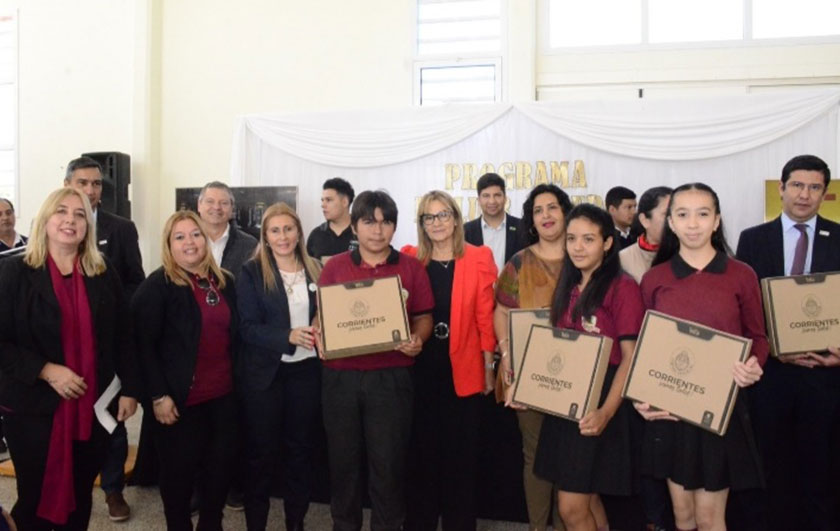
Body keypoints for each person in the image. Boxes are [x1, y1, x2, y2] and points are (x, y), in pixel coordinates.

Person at [0, 187, 139, 530]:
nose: (70, 220)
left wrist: (130, 389)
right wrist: (46, 370)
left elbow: (124, 334)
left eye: (80, 214)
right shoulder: (14, 273)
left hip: (93, 408)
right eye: (61, 211)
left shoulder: (102, 270)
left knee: (81, 493)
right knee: (34, 496)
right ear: (45, 220)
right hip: (33, 408)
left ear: (88, 227)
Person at [638, 183, 766, 531]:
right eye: (682, 214)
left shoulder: (741, 274)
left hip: (719, 411)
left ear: (717, 221)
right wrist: (641, 396)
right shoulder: (654, 278)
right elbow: (646, 348)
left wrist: (754, 365)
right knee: (683, 518)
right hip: (670, 410)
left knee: (710, 519)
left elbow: (757, 337)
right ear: (672, 224)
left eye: (702, 214)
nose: (692, 224)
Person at [317, 190, 434, 531]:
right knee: (343, 465)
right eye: (369, 221)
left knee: (389, 466)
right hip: (341, 379)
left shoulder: (411, 268)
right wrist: (321, 335)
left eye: (386, 222)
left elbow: (424, 316)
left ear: (395, 228)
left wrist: (418, 338)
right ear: (354, 227)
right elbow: (321, 318)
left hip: (391, 377)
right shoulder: (335, 267)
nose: (378, 230)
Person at [735, 154, 840, 531]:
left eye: (814, 188)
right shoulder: (752, 240)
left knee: (821, 474)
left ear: (824, 194)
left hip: (824, 377)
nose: (804, 195)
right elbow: (744, 310)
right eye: (797, 185)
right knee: (771, 471)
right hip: (771, 377)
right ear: (781, 189)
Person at [531, 203, 644, 531]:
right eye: (572, 239)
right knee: (588, 499)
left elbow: (631, 355)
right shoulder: (568, 285)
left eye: (588, 239)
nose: (577, 247)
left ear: (607, 243)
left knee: (570, 508)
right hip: (567, 399)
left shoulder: (623, 287)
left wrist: (606, 412)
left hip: (601, 400)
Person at [132, 210, 239, 531]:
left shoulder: (224, 281)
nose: (189, 242)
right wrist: (158, 395)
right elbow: (143, 347)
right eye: (179, 237)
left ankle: (211, 524)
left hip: (223, 398)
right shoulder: (157, 287)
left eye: (195, 234)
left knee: (219, 473)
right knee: (178, 479)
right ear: (169, 245)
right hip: (178, 403)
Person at [400, 190, 497, 531]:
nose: (437, 223)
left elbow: (487, 319)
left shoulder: (480, 256)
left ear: (456, 218)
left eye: (443, 215)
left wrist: (489, 369)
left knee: (461, 461)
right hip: (420, 367)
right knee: (422, 456)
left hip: (465, 369)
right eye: (429, 217)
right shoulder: (409, 258)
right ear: (421, 224)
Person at [64, 155, 145, 521]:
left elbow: (135, 282)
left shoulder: (122, 228)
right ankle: (65, 488)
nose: (91, 190)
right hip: (63, 349)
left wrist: (110, 314)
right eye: (83, 183)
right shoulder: (50, 224)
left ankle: (113, 490)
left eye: (96, 184)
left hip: (107, 348)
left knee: (110, 421)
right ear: (68, 185)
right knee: (64, 423)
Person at [237, 203, 322, 531]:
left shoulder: (316, 268)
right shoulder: (252, 271)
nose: (283, 236)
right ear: (266, 236)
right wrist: (287, 335)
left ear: (299, 231)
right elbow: (246, 327)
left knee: (300, 454)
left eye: (288, 229)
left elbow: (327, 312)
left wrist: (322, 322)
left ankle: (295, 524)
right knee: (261, 455)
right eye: (275, 230)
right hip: (266, 376)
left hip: (306, 373)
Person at [494, 184, 572, 531]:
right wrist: (507, 353)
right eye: (538, 210)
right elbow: (501, 312)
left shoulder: (584, 258)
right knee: (535, 456)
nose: (546, 216)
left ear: (566, 212)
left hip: (579, 375)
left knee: (572, 458)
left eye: (552, 207)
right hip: (527, 371)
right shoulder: (518, 263)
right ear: (531, 220)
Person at [618, 186, 674, 531]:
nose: (675, 222)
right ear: (644, 219)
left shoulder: (691, 256)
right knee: (646, 451)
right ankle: (654, 519)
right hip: (637, 366)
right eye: (668, 214)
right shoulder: (623, 260)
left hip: (681, 367)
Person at [464, 172, 524, 274]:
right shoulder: (465, 232)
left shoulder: (522, 228)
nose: (492, 201)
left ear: (505, 198)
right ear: (478, 200)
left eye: (497, 195)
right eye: (486, 196)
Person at [197, 181, 258, 278]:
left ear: (232, 209)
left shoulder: (250, 245)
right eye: (210, 201)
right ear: (199, 206)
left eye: (224, 203)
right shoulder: (187, 243)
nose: (217, 207)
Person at [619, 187, 672, 283]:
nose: (673, 220)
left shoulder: (688, 255)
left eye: (680, 214)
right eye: (666, 214)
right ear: (645, 220)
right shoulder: (623, 260)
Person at [306, 177, 357, 262]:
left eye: (328, 200)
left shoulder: (362, 233)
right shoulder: (316, 235)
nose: (323, 205)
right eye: (322, 200)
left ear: (345, 202)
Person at [605, 186, 637, 250]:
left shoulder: (639, 234)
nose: (634, 212)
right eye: (629, 207)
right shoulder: (604, 237)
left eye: (635, 207)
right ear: (612, 210)